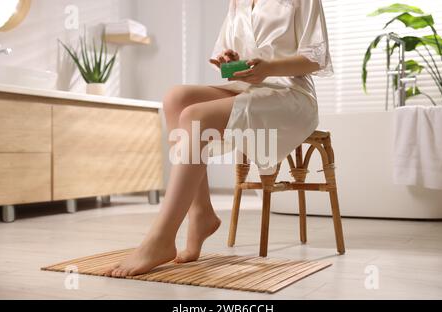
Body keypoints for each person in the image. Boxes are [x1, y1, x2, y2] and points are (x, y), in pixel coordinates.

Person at [106, 0, 333, 278]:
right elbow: (227, 59)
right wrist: (229, 61)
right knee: (177, 99)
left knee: (196, 115)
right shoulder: (237, 2)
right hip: (248, 88)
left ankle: (161, 237)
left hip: (292, 96)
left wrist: (269, 67)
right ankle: (201, 213)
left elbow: (316, 57)